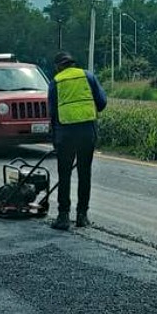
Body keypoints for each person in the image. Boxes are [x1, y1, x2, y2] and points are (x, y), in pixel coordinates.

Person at [47, 51, 107, 230]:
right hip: (87, 133)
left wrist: (55, 137)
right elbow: (102, 102)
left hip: (65, 134)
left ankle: (63, 217)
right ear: (72, 63)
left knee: (64, 175)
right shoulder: (88, 76)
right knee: (84, 173)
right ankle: (82, 216)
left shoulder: (55, 82)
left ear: (58, 67)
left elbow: (52, 112)